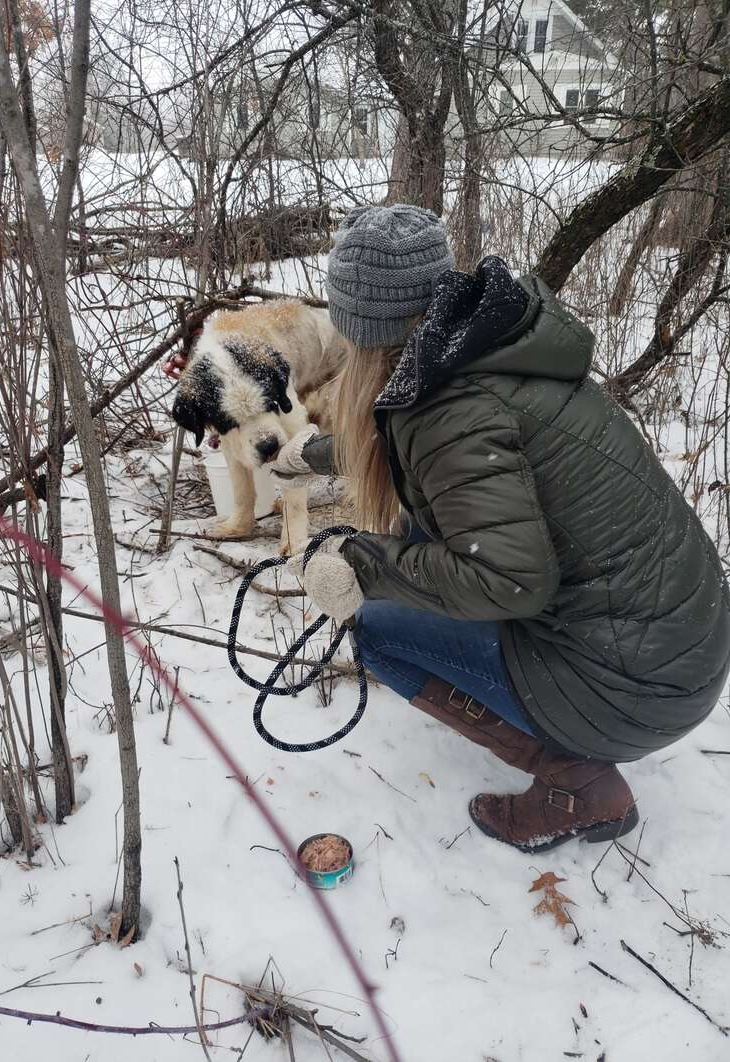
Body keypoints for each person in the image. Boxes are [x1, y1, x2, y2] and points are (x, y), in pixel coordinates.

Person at [268, 203, 730, 853]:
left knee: (375, 626)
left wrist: (361, 562)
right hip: (678, 642)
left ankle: (579, 784)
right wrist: (310, 457)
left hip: (637, 686)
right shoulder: (480, 352)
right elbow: (411, 457)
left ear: (363, 327)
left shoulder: (451, 409)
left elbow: (510, 580)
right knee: (421, 534)